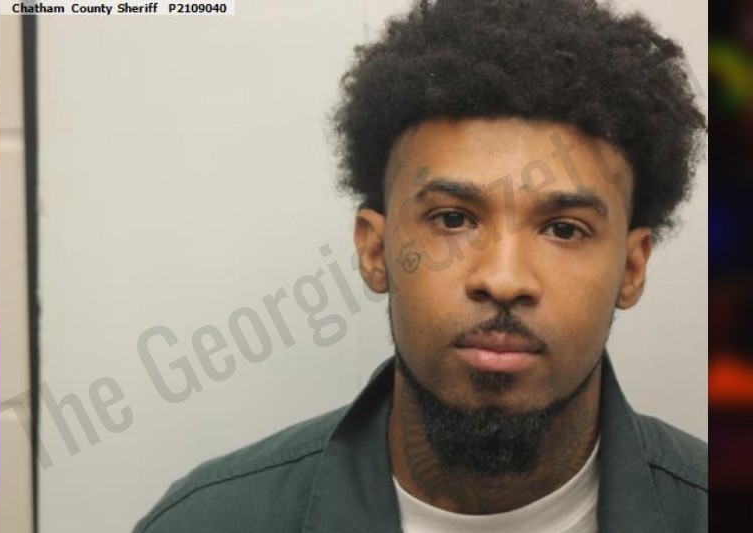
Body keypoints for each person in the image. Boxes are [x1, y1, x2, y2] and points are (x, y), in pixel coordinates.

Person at [134, 1, 707, 531]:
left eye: (563, 229)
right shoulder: (207, 522)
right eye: (453, 219)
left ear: (632, 269)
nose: (503, 279)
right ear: (374, 250)